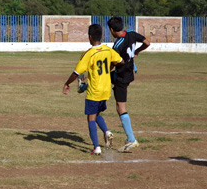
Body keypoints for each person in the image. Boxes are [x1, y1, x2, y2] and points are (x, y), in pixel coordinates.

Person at [63, 24, 123, 156]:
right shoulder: (108, 50)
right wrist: (110, 67)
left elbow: (76, 72)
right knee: (96, 114)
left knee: (90, 118)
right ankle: (106, 132)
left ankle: (96, 147)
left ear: (89, 36)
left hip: (94, 90)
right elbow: (121, 61)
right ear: (101, 35)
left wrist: (67, 83)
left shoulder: (89, 54)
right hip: (106, 89)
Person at [107, 16, 150, 152]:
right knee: (106, 79)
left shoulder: (117, 45)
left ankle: (131, 139)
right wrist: (137, 51)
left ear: (112, 29)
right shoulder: (131, 33)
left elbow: (113, 64)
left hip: (121, 77)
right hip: (128, 73)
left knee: (121, 108)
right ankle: (85, 86)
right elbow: (147, 43)